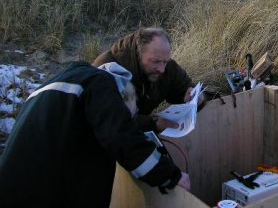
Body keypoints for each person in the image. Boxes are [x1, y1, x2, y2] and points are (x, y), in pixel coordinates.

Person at [0, 61, 190, 208]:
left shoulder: (57, 86)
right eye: (127, 115)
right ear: (119, 100)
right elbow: (121, 136)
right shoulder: (100, 83)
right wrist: (170, 176)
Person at [93, 27, 197, 132]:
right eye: (155, 61)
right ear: (139, 52)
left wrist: (195, 97)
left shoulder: (163, 63)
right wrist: (152, 124)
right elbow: (107, 120)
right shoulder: (108, 70)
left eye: (165, 62)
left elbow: (186, 88)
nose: (162, 69)